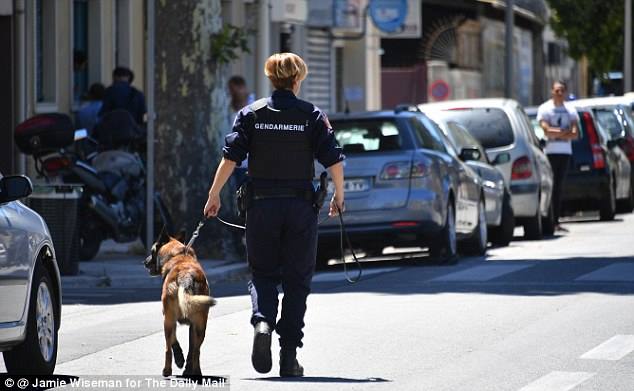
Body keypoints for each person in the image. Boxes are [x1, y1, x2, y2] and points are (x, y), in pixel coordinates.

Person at [203, 53, 345, 377]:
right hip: (300, 210)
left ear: (271, 79)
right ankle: (288, 357)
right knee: (297, 282)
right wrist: (339, 195)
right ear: (297, 79)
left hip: (261, 207)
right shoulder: (311, 115)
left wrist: (214, 195)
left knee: (263, 274)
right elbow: (333, 159)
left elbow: (230, 158)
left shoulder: (251, 114)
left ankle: (263, 322)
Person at [537, 80, 579, 232]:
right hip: (550, 152)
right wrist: (563, 132)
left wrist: (558, 133)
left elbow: (575, 133)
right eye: (556, 90)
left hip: (565, 152)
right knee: (551, 187)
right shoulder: (545, 109)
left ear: (565, 92)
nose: (559, 93)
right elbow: (546, 130)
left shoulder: (570, 110)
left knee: (559, 187)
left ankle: (556, 220)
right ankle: (549, 221)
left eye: (562, 90)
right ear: (552, 91)